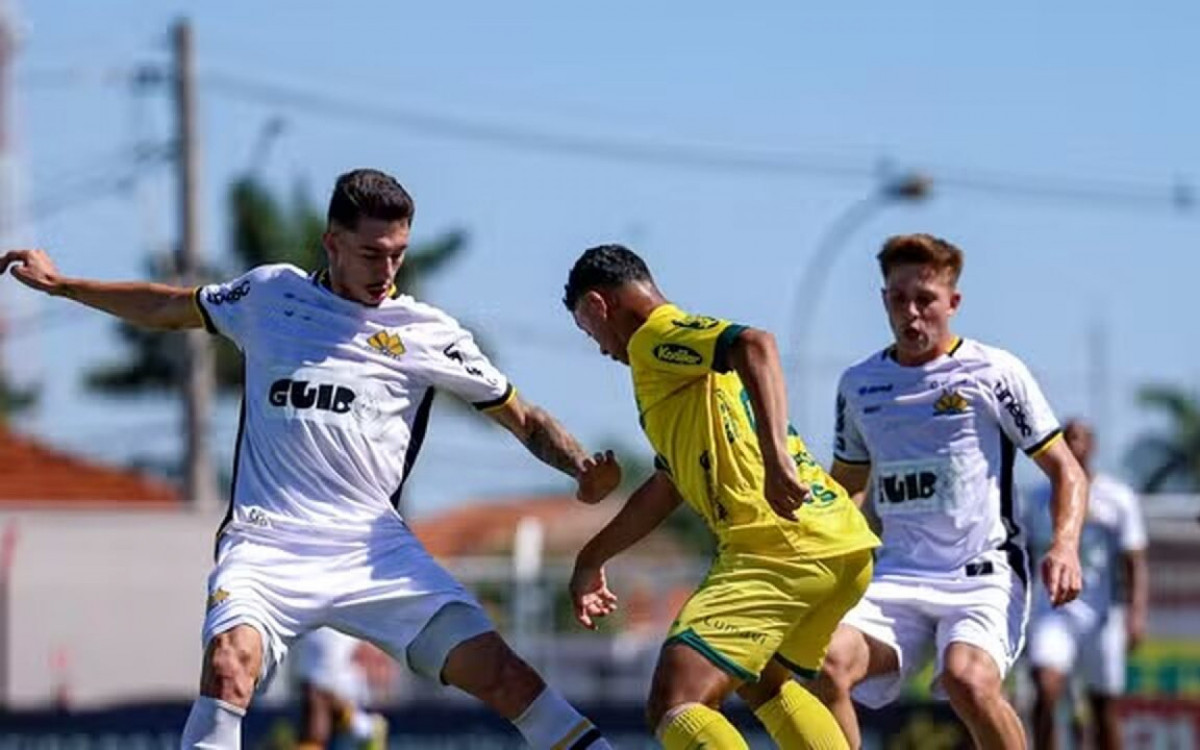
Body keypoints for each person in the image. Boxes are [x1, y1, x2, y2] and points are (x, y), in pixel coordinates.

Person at [1, 168, 621, 750]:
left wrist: (580, 469)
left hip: (374, 553)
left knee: (504, 677)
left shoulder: (427, 333)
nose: (387, 269)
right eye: (371, 253)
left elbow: (527, 418)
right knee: (227, 668)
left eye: (398, 253)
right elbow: (167, 307)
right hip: (267, 546)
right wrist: (63, 285)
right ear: (331, 242)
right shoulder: (271, 295)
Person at [562, 244, 880, 750]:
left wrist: (776, 458)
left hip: (776, 546)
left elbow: (756, 344)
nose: (601, 348)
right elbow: (667, 485)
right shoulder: (681, 368)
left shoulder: (653, 337)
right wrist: (590, 558)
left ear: (600, 306)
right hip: (838, 543)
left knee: (675, 701)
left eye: (588, 330)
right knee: (763, 682)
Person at [813, 233, 1089, 750]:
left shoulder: (994, 372)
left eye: (926, 300)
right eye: (899, 299)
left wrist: (1065, 544)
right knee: (824, 663)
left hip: (981, 573)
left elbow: (1066, 470)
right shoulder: (858, 384)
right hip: (896, 575)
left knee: (969, 681)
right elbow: (846, 487)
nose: (912, 314)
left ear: (953, 303)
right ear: (884, 301)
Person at [1026, 419, 1148, 750]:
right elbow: (1024, 554)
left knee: (1103, 706)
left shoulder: (1117, 497)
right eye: (1066, 439)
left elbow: (1134, 560)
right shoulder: (1038, 498)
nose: (1073, 445)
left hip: (1101, 614)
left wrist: (1136, 613)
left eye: (1078, 438)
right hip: (1053, 611)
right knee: (1046, 687)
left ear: (1092, 446)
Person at [291, 628, 389, 750]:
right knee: (313, 689)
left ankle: (365, 727)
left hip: (333, 625)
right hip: (312, 625)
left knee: (316, 690)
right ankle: (366, 727)